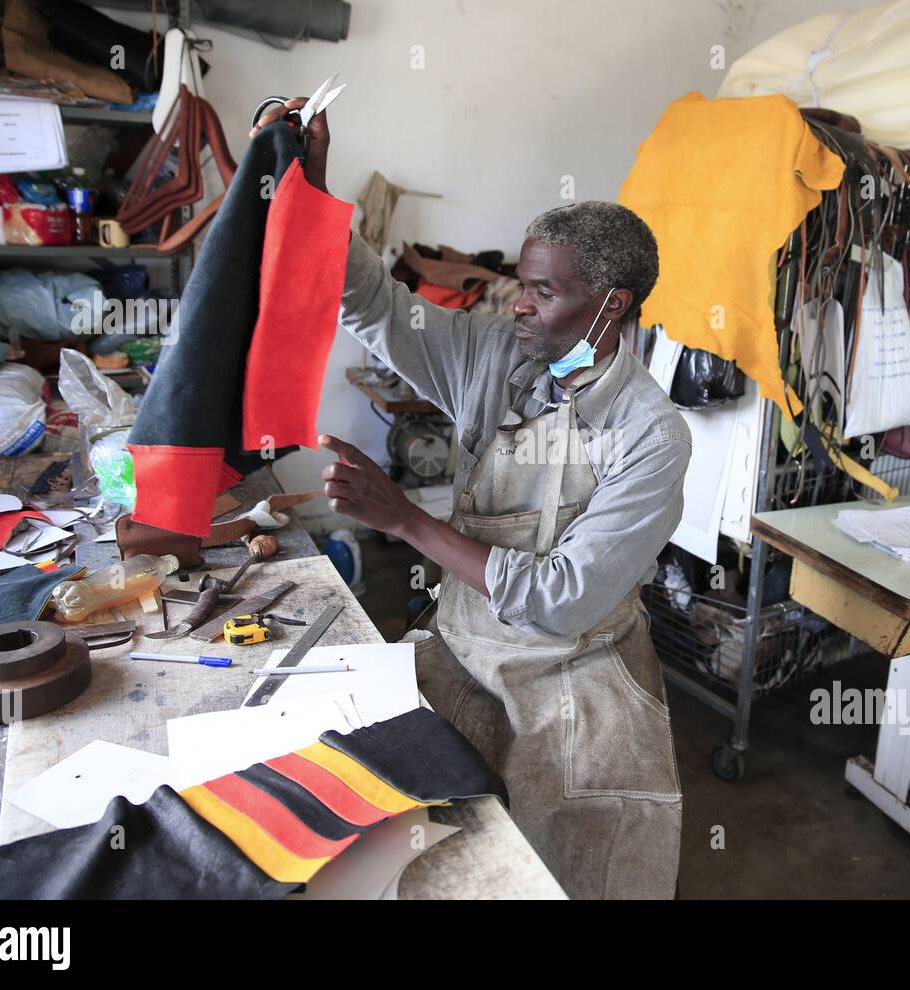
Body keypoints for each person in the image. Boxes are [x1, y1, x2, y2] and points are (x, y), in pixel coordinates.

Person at [252, 99, 691, 899]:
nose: (517, 304)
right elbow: (375, 306)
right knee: (416, 855)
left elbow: (560, 600)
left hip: (577, 670)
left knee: (576, 869)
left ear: (611, 305)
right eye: (521, 285)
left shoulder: (651, 436)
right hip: (464, 644)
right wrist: (310, 192)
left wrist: (404, 519)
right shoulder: (495, 354)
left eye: (542, 292)